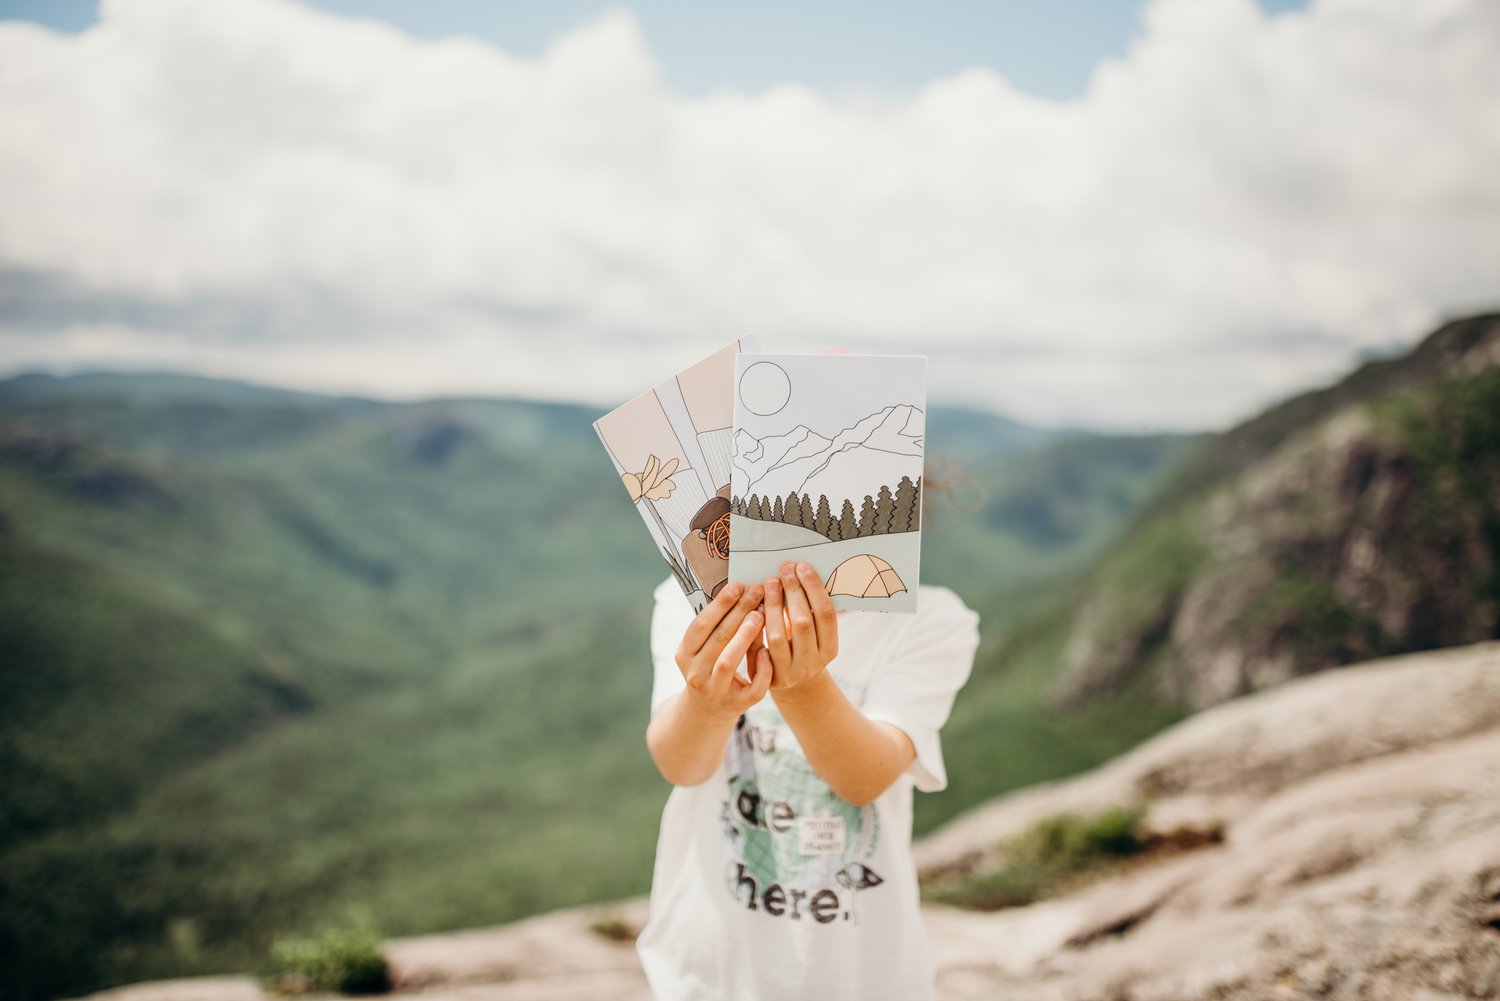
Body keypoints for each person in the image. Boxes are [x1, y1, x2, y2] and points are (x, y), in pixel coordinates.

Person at [635, 558, 980, 1000]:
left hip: (858, 974)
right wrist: (708, 704)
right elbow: (682, 766)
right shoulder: (700, 599)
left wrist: (804, 686)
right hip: (711, 968)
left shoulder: (929, 619)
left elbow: (863, 780)